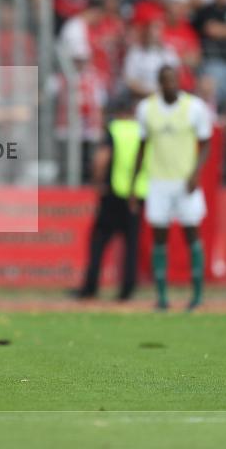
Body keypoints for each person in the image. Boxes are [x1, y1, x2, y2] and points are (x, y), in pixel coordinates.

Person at [130, 66, 212, 311]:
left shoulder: (194, 107)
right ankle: (162, 296)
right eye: (165, 81)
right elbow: (142, 147)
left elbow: (206, 142)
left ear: (179, 81)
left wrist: (196, 172)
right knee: (159, 236)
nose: (170, 85)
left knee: (191, 233)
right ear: (159, 83)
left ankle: (197, 294)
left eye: (173, 80)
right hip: (158, 181)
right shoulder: (147, 109)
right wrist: (135, 184)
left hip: (185, 180)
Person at [75, 97, 147, 301]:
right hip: (137, 194)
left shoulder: (114, 130)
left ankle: (90, 287)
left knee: (98, 241)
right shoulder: (141, 131)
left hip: (113, 194)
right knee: (131, 245)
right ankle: (128, 289)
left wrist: (98, 183)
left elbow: (101, 159)